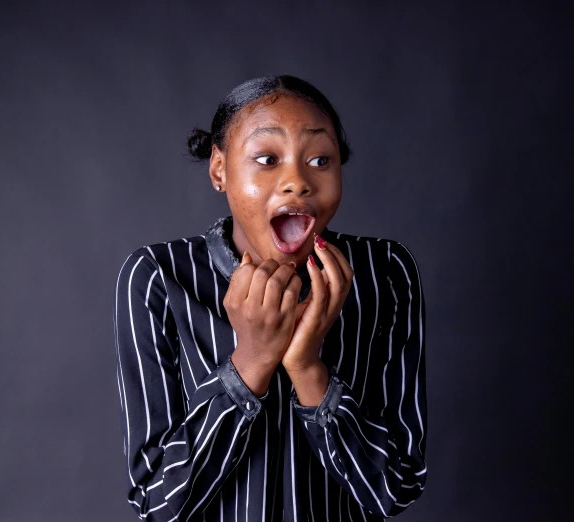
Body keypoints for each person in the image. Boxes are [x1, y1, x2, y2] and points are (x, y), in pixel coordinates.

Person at [112, 75, 427, 521]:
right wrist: (253, 361)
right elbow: (159, 502)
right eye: (266, 158)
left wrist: (308, 368)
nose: (297, 181)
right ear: (220, 169)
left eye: (321, 159)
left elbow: (394, 488)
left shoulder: (385, 273)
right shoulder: (159, 278)